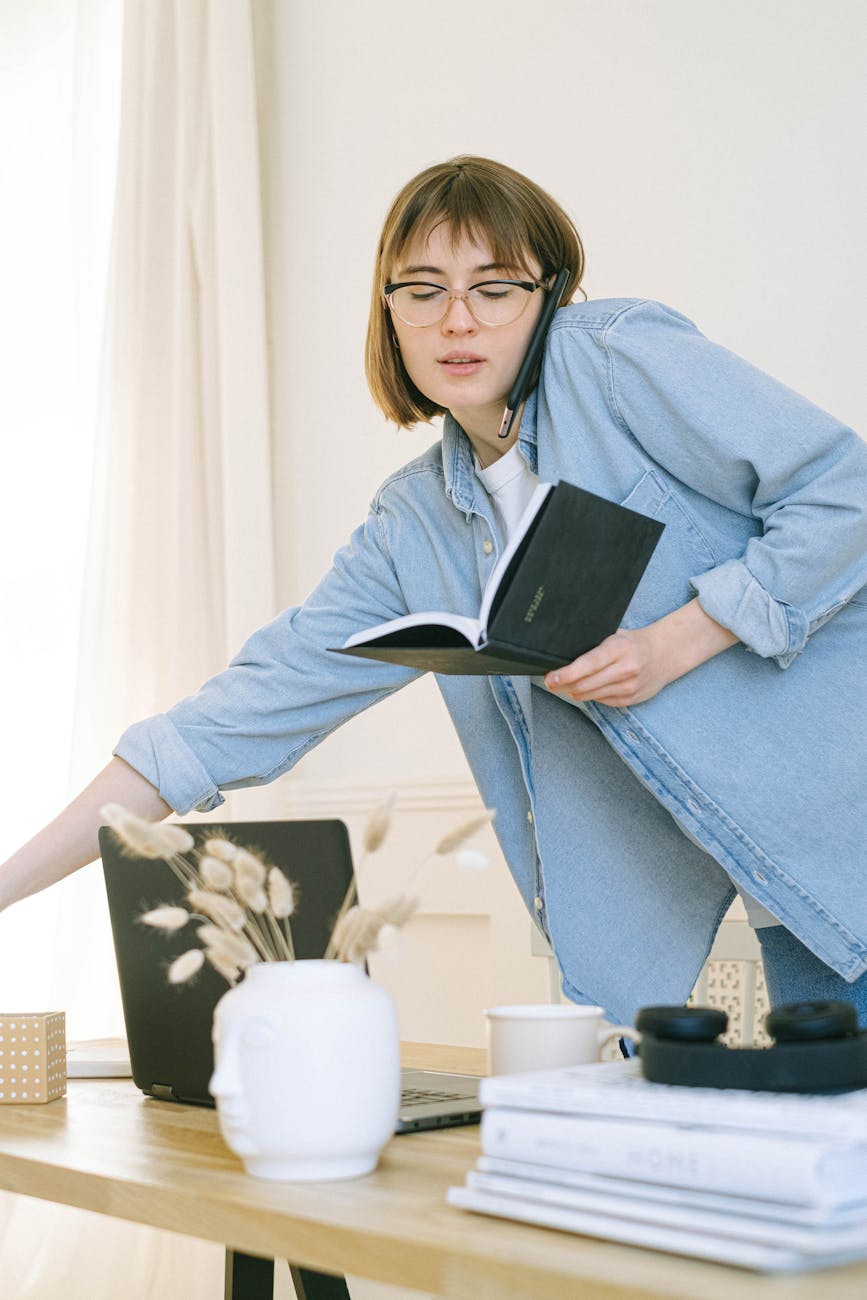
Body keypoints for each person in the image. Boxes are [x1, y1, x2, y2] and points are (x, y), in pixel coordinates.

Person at [2, 156, 866, 1028]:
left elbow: (846, 493)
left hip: (843, 844)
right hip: (712, 929)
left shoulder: (610, 361)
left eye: (495, 289)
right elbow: (215, 728)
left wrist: (673, 641)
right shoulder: (412, 527)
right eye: (421, 290)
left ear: (549, 295)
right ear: (388, 313)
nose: (457, 320)